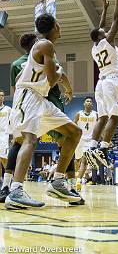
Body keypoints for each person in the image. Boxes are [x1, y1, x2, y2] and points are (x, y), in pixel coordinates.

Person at [4, 14, 82, 209]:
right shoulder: (45, 45)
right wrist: (60, 73)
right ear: (54, 27)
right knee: (29, 140)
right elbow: (52, 78)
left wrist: (63, 80)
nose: (60, 27)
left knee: (74, 132)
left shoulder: (43, 48)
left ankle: (57, 181)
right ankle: (15, 190)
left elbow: (52, 76)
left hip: (40, 98)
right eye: (59, 25)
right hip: (29, 96)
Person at [85, 0, 118, 168]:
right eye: (105, 32)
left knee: (102, 118)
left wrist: (105, 8)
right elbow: (116, 19)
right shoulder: (108, 42)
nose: (107, 31)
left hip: (100, 84)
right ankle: (103, 149)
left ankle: (92, 146)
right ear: (102, 37)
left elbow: (99, 28)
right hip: (112, 82)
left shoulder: (95, 47)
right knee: (115, 117)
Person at [74, 96, 98, 188]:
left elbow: (100, 127)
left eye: (90, 101)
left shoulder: (95, 114)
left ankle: (78, 181)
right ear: (84, 104)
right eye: (87, 101)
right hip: (80, 139)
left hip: (90, 140)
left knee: (84, 160)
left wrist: (105, 139)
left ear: (92, 104)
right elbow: (74, 125)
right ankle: (74, 178)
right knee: (77, 160)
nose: (88, 102)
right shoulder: (79, 114)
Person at [0, 90, 11, 181]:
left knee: (4, 158)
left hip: (4, 135)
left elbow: (13, 122)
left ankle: (8, 180)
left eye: (2, 96)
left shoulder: (8, 109)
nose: (1, 97)